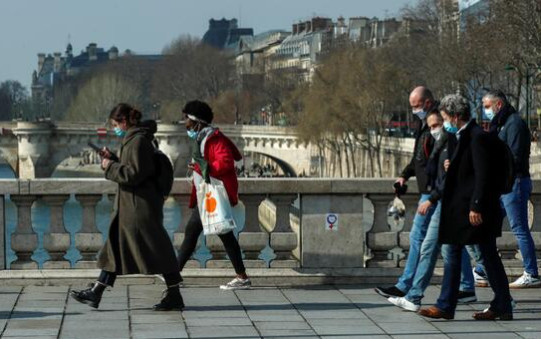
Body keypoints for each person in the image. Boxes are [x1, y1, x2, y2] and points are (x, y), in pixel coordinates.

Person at [70, 103, 184, 311]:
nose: (115, 128)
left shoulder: (137, 141)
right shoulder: (137, 138)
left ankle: (174, 293)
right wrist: (114, 159)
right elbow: (137, 168)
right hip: (134, 206)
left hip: (137, 208)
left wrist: (110, 167)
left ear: (124, 121)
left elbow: (134, 174)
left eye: (115, 124)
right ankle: (97, 291)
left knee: (156, 250)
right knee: (118, 247)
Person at [419, 94, 513, 321]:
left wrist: (476, 206)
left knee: (476, 254)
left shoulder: (476, 137)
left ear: (455, 116)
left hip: (473, 210)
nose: (444, 123)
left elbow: (482, 175)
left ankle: (448, 305)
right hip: (464, 208)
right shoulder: (465, 136)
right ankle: (500, 304)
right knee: (483, 254)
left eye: (444, 118)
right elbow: (468, 172)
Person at [387, 108, 476, 312]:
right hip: (442, 201)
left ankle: (500, 297)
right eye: (433, 125)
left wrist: (431, 197)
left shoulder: (461, 140)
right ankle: (417, 296)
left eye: (440, 122)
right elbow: (434, 173)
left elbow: (460, 175)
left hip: (452, 202)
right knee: (437, 248)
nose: (436, 128)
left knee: (479, 251)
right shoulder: (444, 143)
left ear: (454, 117)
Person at [177, 100, 251, 290]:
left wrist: (202, 167)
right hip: (207, 195)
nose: (184, 123)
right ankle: (174, 274)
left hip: (213, 196)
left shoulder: (214, 139)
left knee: (207, 233)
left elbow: (226, 162)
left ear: (197, 122)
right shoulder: (203, 138)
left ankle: (174, 275)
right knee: (197, 233)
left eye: (187, 119)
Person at [469, 90, 539, 289]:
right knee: (487, 225)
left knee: (519, 229)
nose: (485, 110)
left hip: (513, 183)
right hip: (504, 184)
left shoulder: (514, 123)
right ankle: (483, 269)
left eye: (487, 106)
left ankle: (531, 273)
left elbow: (514, 156)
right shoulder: (502, 123)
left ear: (498, 105)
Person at [375, 86, 438, 298]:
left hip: (432, 192)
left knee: (417, 237)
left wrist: (431, 191)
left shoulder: (435, 124)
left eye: (416, 106)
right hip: (429, 191)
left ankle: (405, 286)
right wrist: (404, 175)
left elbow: (436, 161)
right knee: (449, 245)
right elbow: (418, 159)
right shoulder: (424, 123)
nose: (413, 110)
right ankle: (466, 286)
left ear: (427, 103)